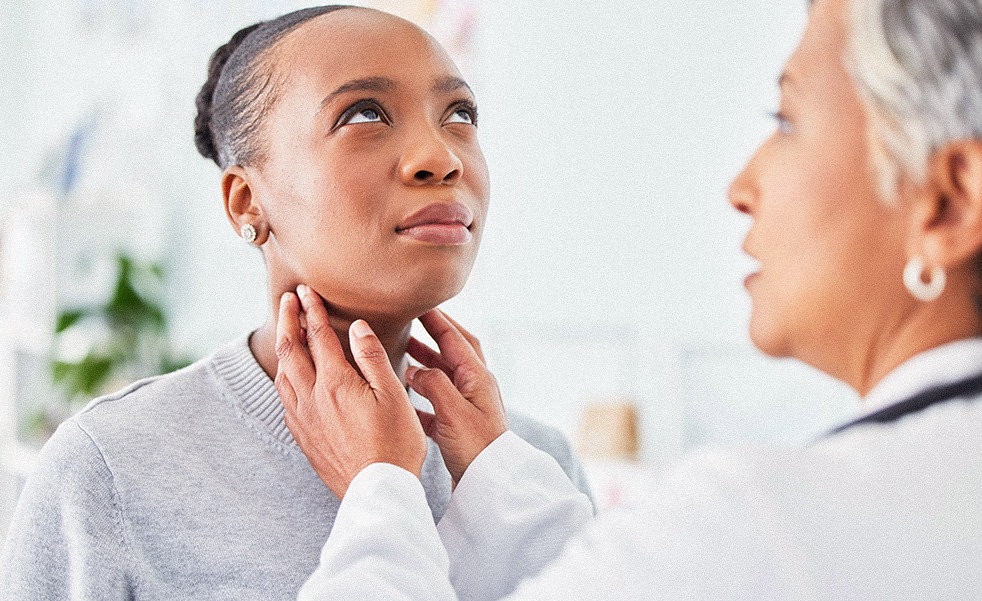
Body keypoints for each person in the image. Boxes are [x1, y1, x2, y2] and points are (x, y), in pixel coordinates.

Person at [275, 0, 982, 598]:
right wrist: (498, 480)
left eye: (785, 121)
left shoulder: (759, 523)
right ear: (246, 199)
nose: (741, 186)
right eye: (365, 113)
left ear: (950, 202)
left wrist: (380, 492)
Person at [0, 6, 591, 599]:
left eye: (459, 114)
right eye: (365, 114)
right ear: (246, 202)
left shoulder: (534, 467)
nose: (441, 158)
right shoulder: (107, 473)